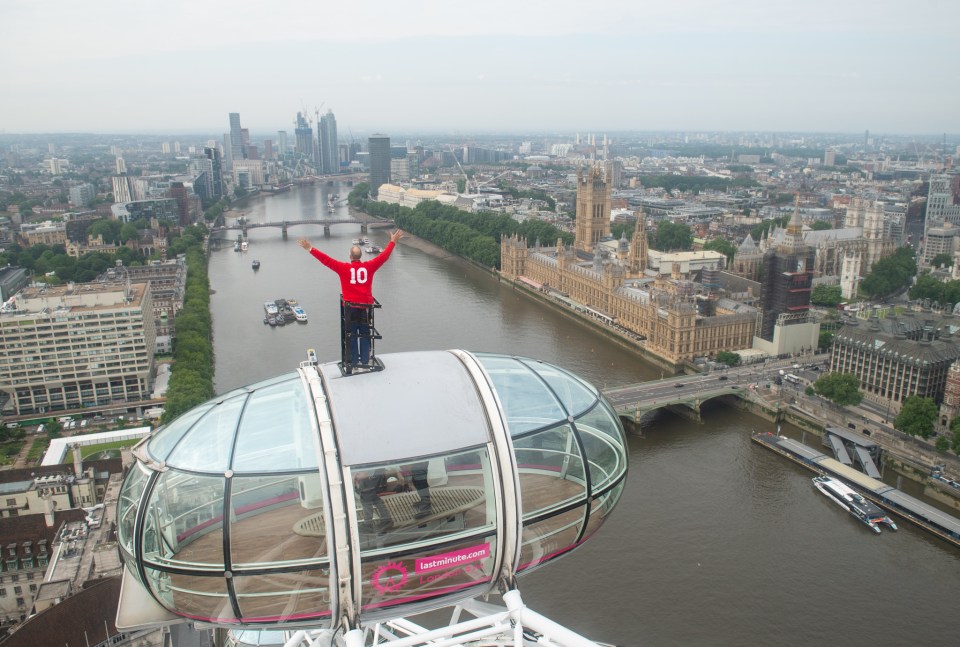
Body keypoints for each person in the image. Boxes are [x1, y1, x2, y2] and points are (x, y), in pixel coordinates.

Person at [298, 230, 404, 367]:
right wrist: (393, 241)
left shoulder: (343, 268)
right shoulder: (369, 267)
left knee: (352, 335)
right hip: (365, 308)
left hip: (350, 308)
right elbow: (384, 256)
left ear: (350, 256)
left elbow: (326, 260)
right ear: (361, 256)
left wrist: (309, 248)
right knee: (365, 334)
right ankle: (365, 360)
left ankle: (353, 361)